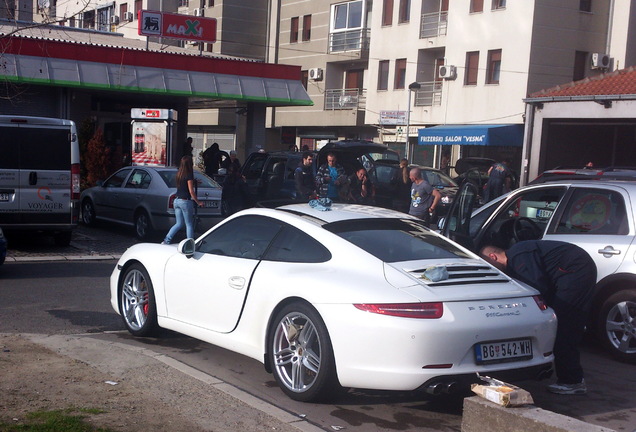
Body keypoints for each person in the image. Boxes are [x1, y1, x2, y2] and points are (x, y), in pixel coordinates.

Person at [479, 241, 597, 395]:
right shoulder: (518, 256)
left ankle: (572, 381)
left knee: (564, 325)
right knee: (563, 321)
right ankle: (571, 377)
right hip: (572, 268)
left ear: (493, 257)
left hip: (574, 270)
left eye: (489, 265)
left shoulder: (519, 259)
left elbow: (537, 289)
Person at [162, 156, 202, 244]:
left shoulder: (179, 174)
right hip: (185, 201)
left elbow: (184, 183)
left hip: (177, 200)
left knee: (179, 223)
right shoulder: (189, 174)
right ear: (189, 164)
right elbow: (191, 191)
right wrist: (198, 202)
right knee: (189, 224)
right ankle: (190, 244)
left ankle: (166, 240)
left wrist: (194, 181)